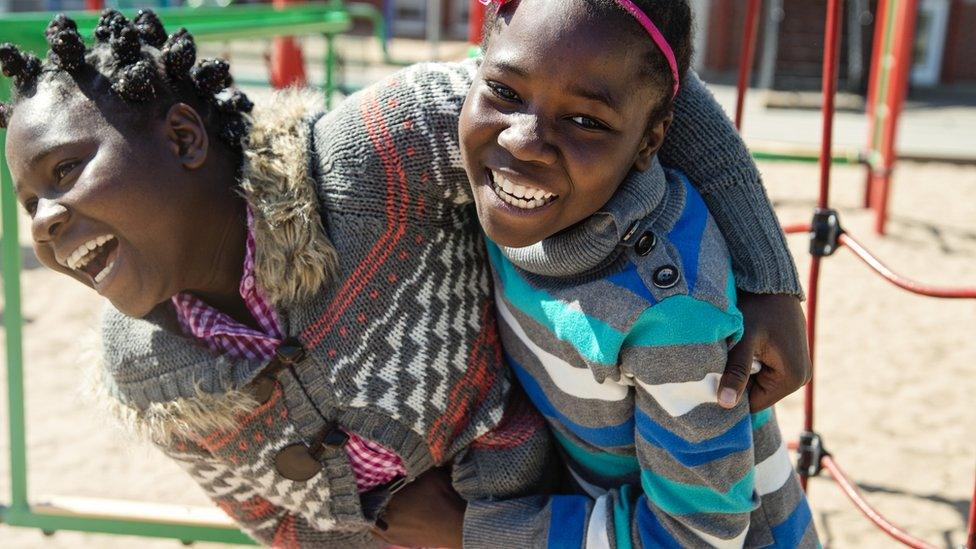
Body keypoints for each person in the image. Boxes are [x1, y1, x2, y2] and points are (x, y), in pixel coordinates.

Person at [0, 7, 809, 548]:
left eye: (67, 172)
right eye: (29, 199)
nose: (43, 220)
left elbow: (630, 62)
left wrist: (768, 275)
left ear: (183, 135)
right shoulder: (145, 373)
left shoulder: (368, 161)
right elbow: (272, 519)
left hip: (591, 497)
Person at [440, 0, 813, 546]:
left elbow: (698, 536)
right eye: (505, 92)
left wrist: (467, 534)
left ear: (650, 142)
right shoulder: (510, 203)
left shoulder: (667, 314)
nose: (521, 139)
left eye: (586, 121)